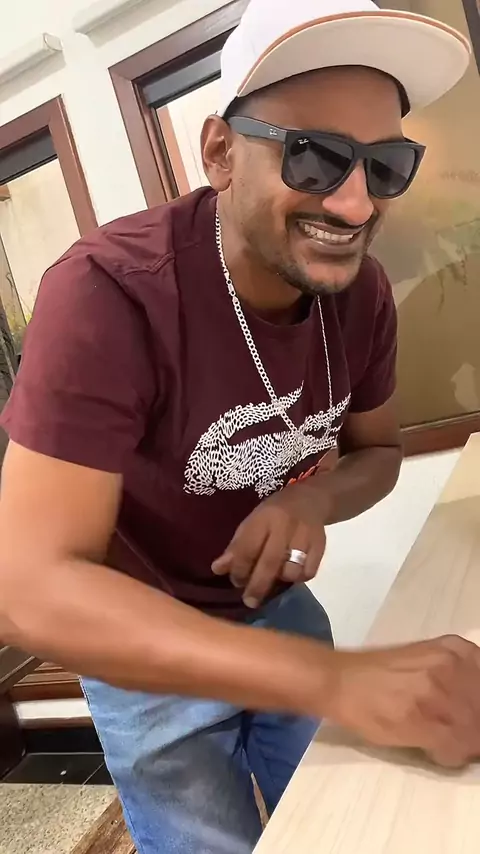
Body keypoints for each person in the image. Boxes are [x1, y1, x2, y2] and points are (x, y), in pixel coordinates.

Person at [0, 1, 478, 851]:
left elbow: (378, 451)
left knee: (349, 823)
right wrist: (334, 680)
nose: (356, 203)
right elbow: (27, 589)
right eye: (315, 155)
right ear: (220, 152)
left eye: (386, 165)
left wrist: (310, 500)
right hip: (141, 639)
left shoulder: (359, 294)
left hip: (274, 607)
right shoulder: (109, 295)